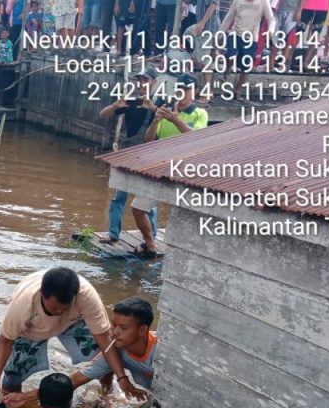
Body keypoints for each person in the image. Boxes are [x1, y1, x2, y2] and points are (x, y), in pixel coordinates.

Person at [0, 267, 145, 406]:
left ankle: (107, 392)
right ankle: (12, 404)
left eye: (64, 308)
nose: (59, 312)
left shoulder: (86, 296)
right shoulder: (22, 305)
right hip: (31, 329)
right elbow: (5, 341)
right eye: (54, 309)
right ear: (42, 294)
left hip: (72, 323)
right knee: (12, 379)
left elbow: (106, 341)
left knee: (103, 354)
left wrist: (121, 377)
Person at [129, 74, 208, 258]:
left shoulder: (200, 113)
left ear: (194, 91)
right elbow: (148, 140)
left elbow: (196, 138)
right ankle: (150, 242)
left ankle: (184, 250)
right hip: (160, 167)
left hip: (184, 170)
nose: (183, 93)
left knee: (184, 214)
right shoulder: (166, 110)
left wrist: (175, 119)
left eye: (187, 89)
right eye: (180, 88)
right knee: (137, 208)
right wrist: (156, 120)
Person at [95, 68, 158, 246]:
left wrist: (152, 107)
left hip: (150, 155)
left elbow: (166, 118)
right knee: (118, 195)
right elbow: (103, 114)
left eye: (145, 80)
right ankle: (113, 233)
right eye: (139, 80)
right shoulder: (131, 101)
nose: (141, 84)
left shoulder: (161, 101)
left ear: (153, 82)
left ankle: (151, 236)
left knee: (147, 198)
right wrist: (115, 105)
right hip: (128, 152)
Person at [75, 297, 158, 393]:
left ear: (142, 330)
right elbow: (76, 379)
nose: (114, 332)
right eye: (114, 325)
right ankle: (107, 394)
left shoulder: (161, 350)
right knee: (107, 365)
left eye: (123, 328)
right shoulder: (114, 350)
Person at [220, 0, 275, 96]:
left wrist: (271, 30)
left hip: (251, 38)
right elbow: (229, 17)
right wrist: (220, 33)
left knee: (246, 67)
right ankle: (226, 71)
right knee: (231, 54)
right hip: (235, 33)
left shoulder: (263, 2)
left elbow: (271, 19)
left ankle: (238, 91)